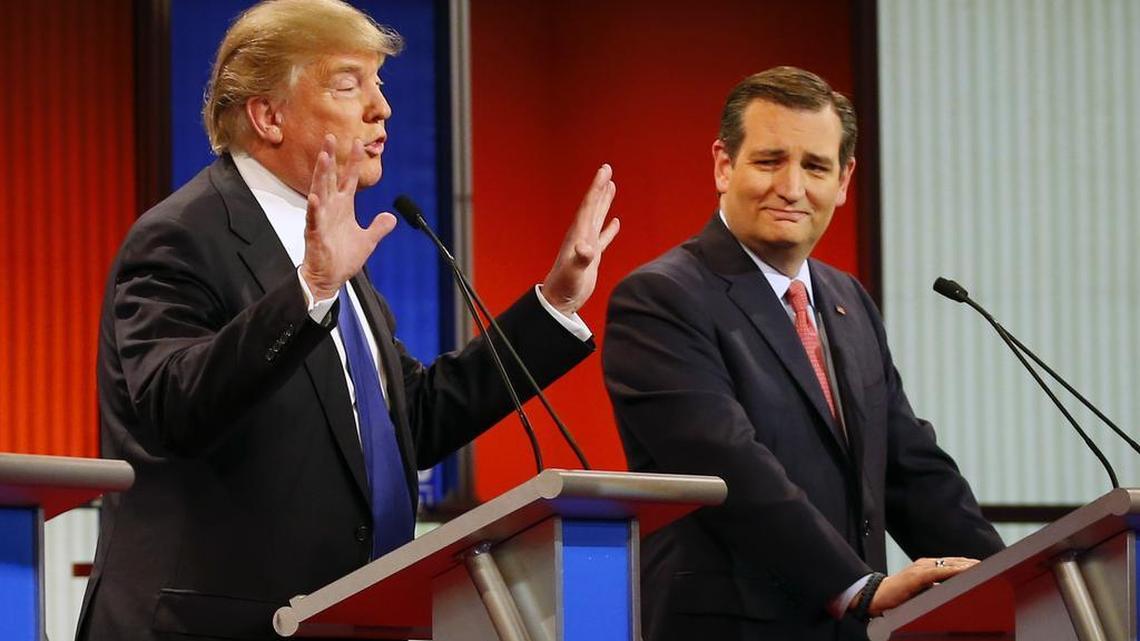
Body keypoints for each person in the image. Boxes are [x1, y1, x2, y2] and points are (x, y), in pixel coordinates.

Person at [78, 1, 619, 640]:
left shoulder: (333, 251)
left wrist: (553, 305)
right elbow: (173, 407)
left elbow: (411, 422)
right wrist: (309, 288)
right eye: (347, 84)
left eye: (379, 84)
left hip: (341, 620)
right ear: (268, 116)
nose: (381, 107)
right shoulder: (181, 237)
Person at [602, 66, 1001, 641]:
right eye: (769, 161)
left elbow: (910, 469)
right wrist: (856, 587)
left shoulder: (847, 298)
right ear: (724, 165)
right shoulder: (661, 297)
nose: (791, 188)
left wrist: (1011, 582)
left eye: (815, 166)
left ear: (843, 180)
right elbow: (727, 464)